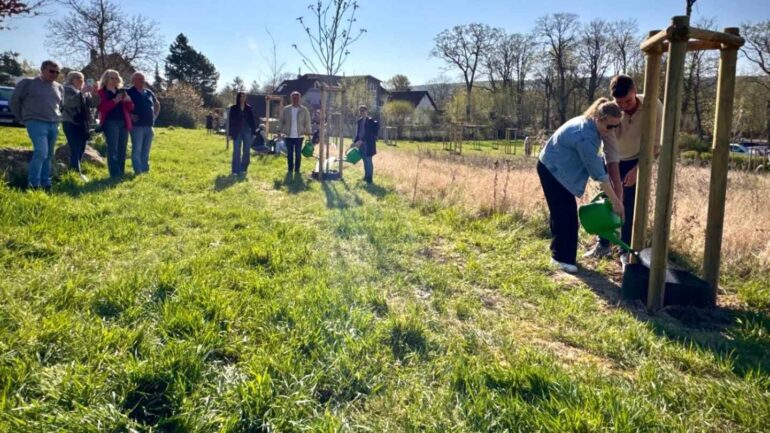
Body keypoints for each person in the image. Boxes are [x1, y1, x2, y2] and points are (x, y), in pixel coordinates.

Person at [537, 97, 625, 274]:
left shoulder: (591, 125)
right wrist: (617, 203)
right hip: (552, 170)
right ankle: (561, 259)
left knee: (562, 213)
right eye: (610, 126)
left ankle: (558, 253)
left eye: (617, 127)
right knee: (566, 216)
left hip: (555, 167)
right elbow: (599, 175)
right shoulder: (585, 136)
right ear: (599, 119)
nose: (612, 131)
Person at [584, 74, 664, 260]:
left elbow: (655, 145)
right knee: (608, 201)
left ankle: (624, 250)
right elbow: (607, 141)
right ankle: (603, 245)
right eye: (619, 102)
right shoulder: (611, 110)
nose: (624, 106)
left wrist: (639, 169)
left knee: (629, 205)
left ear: (635, 91)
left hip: (637, 160)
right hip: (612, 157)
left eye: (628, 100)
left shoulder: (654, 106)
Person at [9, 60, 64, 191]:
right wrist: (22, 118)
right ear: (42, 69)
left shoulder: (59, 87)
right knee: (41, 152)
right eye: (51, 71)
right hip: (35, 122)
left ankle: (46, 183)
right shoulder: (28, 83)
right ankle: (33, 184)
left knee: (49, 155)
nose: (55, 74)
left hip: (54, 123)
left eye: (57, 72)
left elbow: (61, 105)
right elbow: (14, 101)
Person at [61, 71, 99, 181]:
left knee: (82, 147)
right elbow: (70, 103)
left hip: (83, 123)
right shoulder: (66, 90)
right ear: (71, 79)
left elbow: (93, 104)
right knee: (75, 147)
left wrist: (96, 93)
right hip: (71, 122)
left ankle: (76, 170)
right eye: (77, 78)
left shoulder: (85, 92)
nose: (81, 80)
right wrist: (81, 93)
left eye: (82, 78)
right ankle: (76, 173)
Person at [97, 69, 134, 178]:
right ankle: (114, 173)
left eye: (116, 78)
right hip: (110, 122)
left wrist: (128, 100)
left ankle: (121, 172)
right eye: (111, 78)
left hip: (123, 122)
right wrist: (115, 101)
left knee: (122, 148)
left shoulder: (121, 91)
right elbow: (102, 108)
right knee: (113, 148)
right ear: (106, 79)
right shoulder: (101, 92)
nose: (114, 80)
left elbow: (130, 108)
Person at [126, 72, 160, 175]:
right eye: (139, 79)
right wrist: (129, 115)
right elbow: (122, 107)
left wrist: (155, 115)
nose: (142, 81)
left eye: (143, 79)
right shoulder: (128, 92)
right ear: (133, 81)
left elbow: (157, 103)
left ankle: (145, 169)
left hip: (149, 126)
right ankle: (137, 170)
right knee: (137, 149)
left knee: (146, 149)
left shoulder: (148, 92)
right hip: (137, 126)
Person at [278, 91, 311, 174]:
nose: (295, 99)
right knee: (289, 154)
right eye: (294, 98)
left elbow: (307, 121)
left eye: (297, 98)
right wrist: (279, 130)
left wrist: (308, 132)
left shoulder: (304, 110)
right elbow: (281, 121)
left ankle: (297, 170)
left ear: (300, 99)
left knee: (298, 154)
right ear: (291, 99)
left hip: (299, 136)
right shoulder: (286, 109)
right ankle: (290, 169)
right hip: (288, 136)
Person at [228, 91, 256, 176]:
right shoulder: (233, 108)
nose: (242, 98)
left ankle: (243, 168)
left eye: (244, 96)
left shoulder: (249, 108)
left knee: (246, 151)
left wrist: (254, 132)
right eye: (241, 96)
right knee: (236, 151)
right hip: (237, 132)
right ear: (238, 98)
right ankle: (235, 170)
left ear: (246, 98)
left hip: (247, 131)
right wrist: (230, 134)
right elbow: (231, 121)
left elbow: (252, 121)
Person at [353, 104, 379, 184]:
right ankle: (366, 176)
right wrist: (354, 142)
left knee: (368, 160)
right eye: (360, 111)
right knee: (364, 160)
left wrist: (362, 140)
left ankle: (369, 178)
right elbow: (358, 133)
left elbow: (369, 134)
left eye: (363, 111)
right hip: (361, 144)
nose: (361, 112)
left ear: (366, 111)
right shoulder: (359, 121)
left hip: (368, 144)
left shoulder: (370, 121)